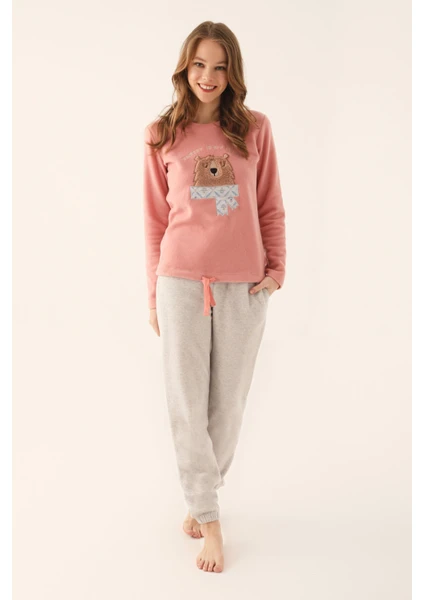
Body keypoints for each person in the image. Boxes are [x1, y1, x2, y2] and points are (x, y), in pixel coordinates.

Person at [142, 21, 286, 573]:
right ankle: (208, 515)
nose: (209, 76)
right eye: (199, 64)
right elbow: (154, 221)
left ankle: (201, 493)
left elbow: (270, 205)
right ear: (185, 68)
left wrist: (276, 271)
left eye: (220, 66)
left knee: (228, 405)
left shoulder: (255, 129)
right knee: (186, 403)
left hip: (244, 284)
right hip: (180, 282)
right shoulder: (162, 134)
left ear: (232, 73)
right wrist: (153, 295)